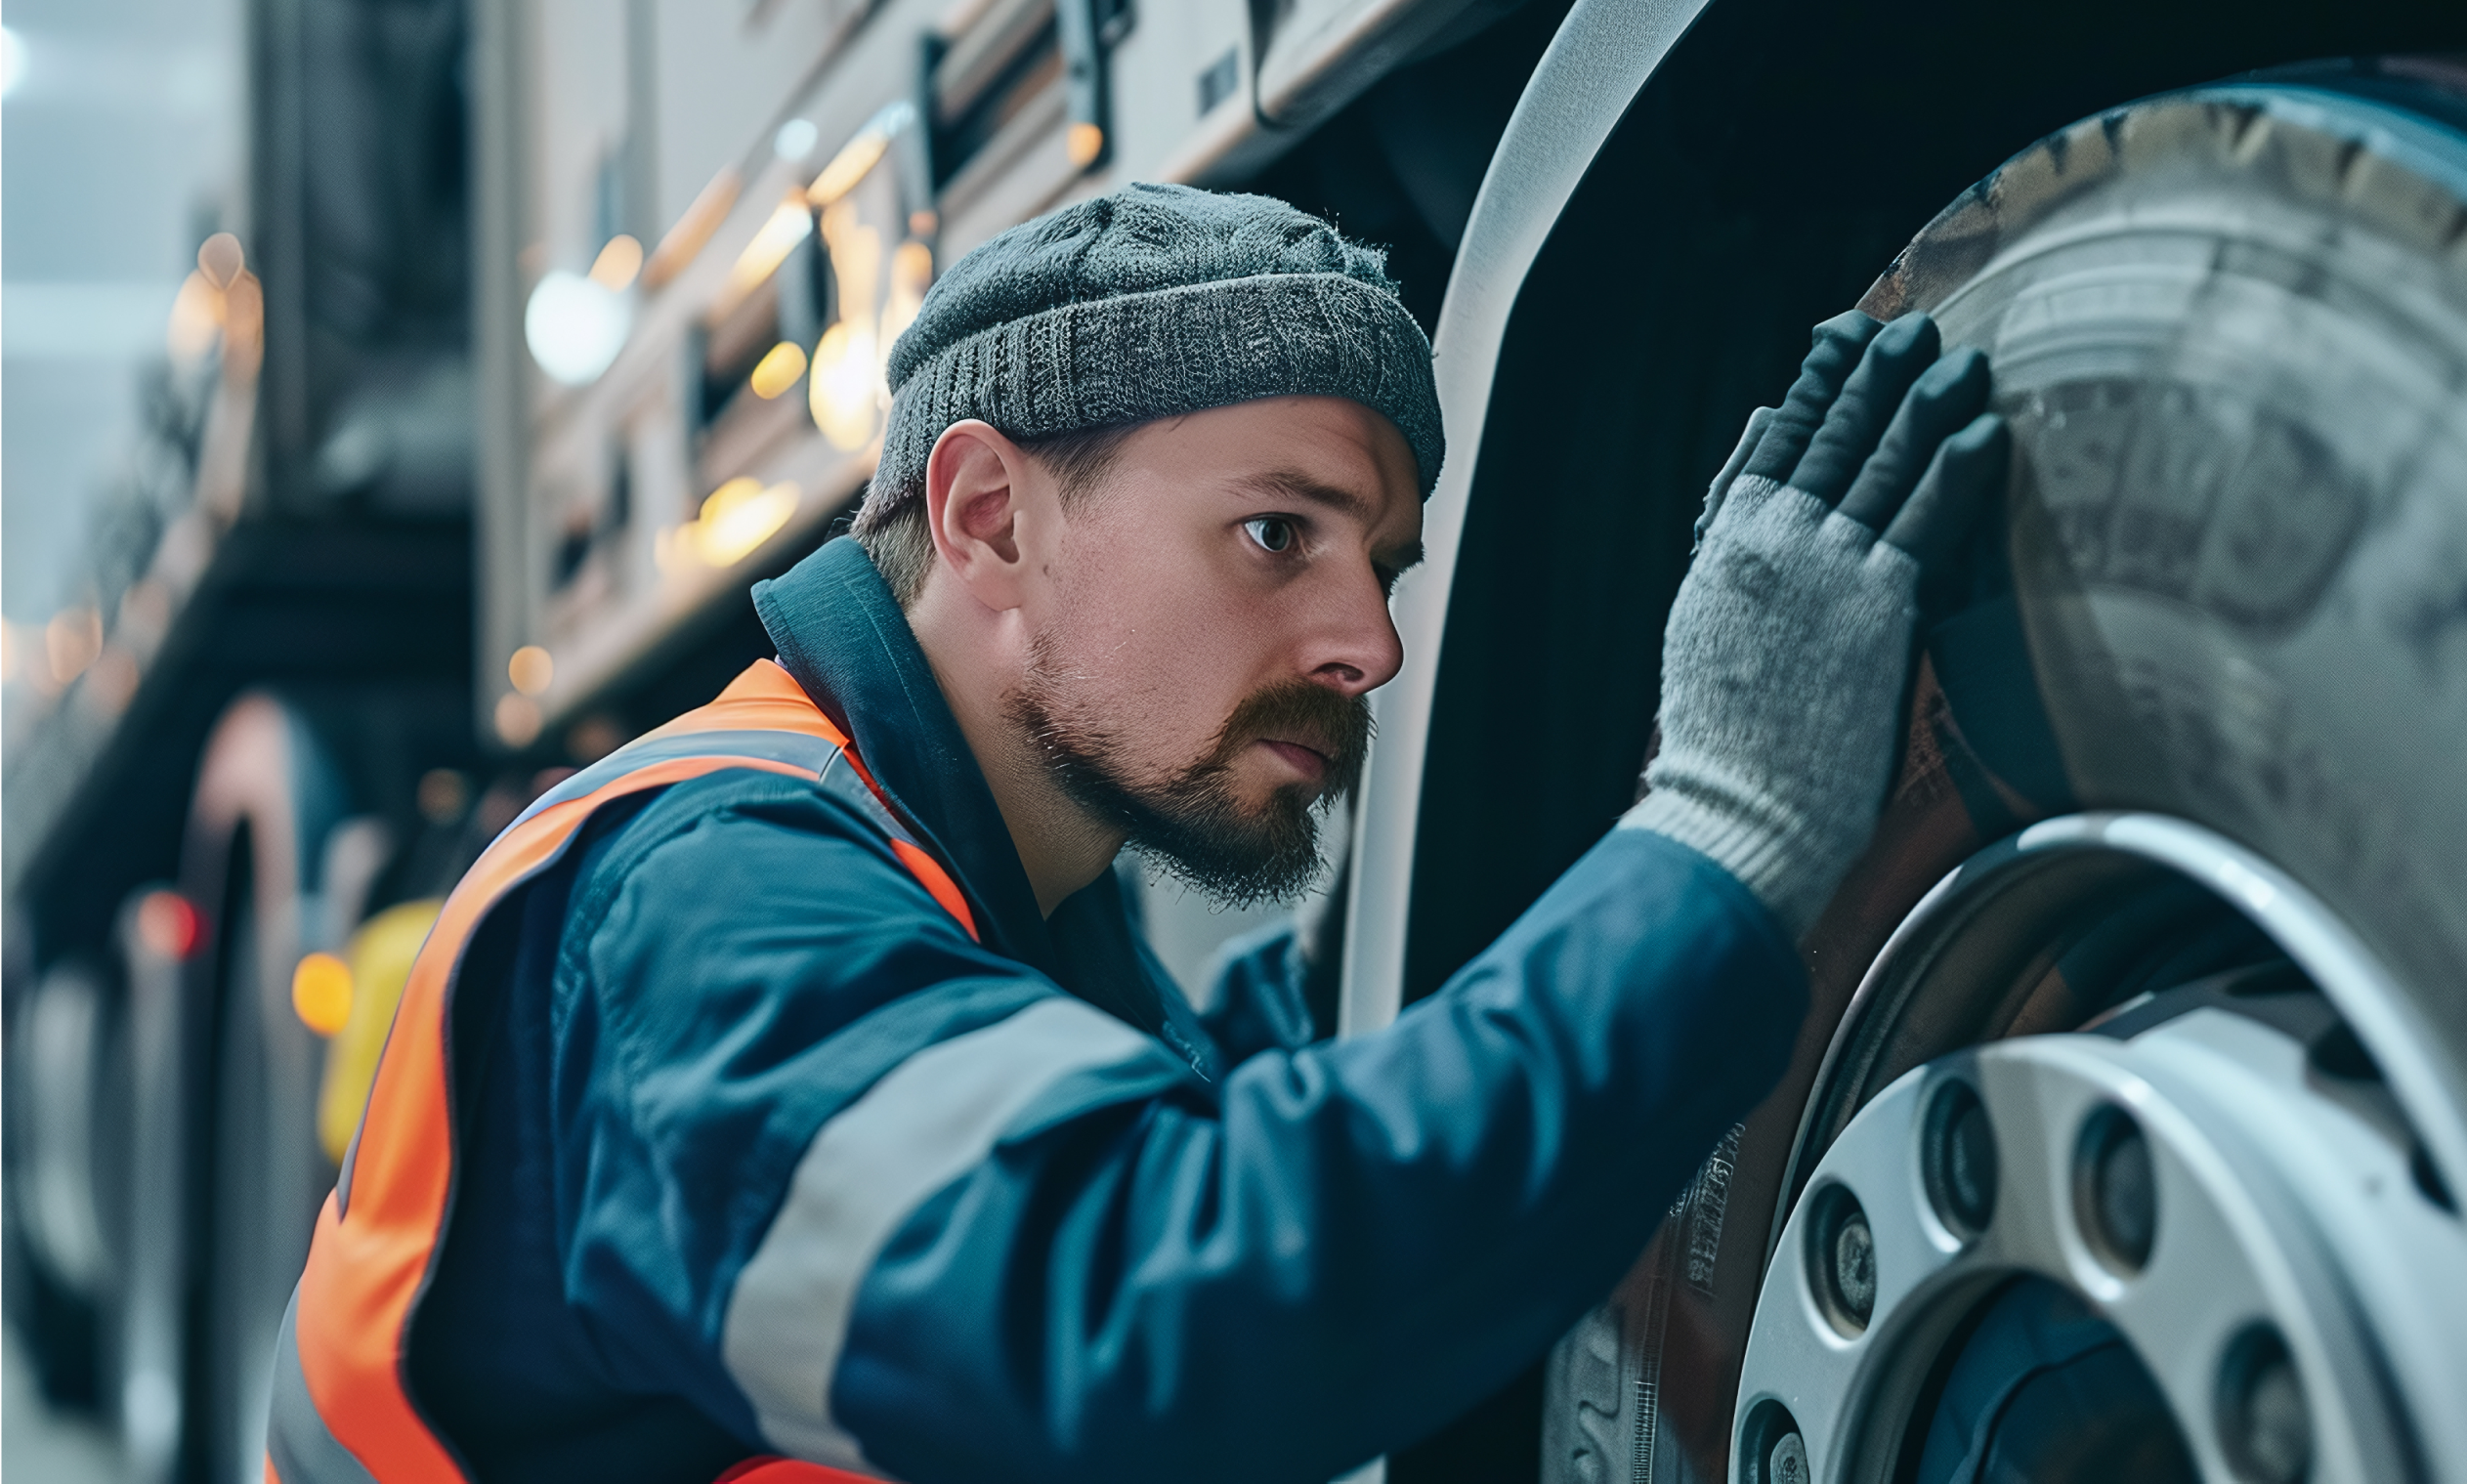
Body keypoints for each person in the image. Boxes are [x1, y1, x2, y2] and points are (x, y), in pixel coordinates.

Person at [272, 183, 2004, 1484]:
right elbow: (1138, 1310)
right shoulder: (707, 902)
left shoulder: (978, 881)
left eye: (1378, 567)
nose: (1371, 644)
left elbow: (1160, 1117)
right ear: (984, 519)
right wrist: (1729, 825)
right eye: (1274, 535)